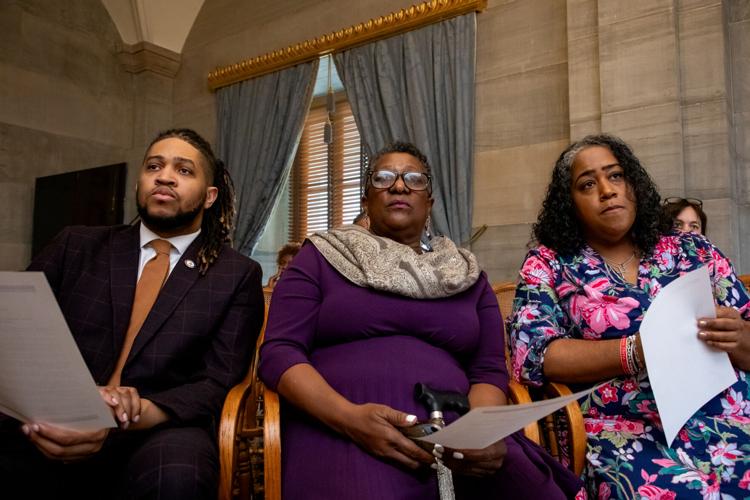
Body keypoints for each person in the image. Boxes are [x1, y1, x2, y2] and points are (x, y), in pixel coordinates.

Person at [258, 141, 581, 499]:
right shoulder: (321, 257)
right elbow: (280, 353)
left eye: (414, 179)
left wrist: (480, 434)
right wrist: (351, 420)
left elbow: (488, 370)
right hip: (341, 424)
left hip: (458, 432)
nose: (399, 186)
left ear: (429, 204)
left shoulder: (467, 275)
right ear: (365, 200)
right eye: (383, 178)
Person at [0, 128, 265, 499]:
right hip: (51, 411)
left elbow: (217, 382)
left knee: (179, 473)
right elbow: (14, 332)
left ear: (209, 197)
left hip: (156, 426)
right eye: (154, 166)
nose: (165, 176)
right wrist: (60, 406)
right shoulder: (76, 244)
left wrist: (133, 411)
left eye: (184, 170)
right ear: (140, 183)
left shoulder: (237, 274)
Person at [509, 133, 750, 498]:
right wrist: (634, 351)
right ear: (569, 203)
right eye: (587, 184)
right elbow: (536, 355)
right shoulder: (549, 263)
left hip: (724, 410)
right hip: (624, 427)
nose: (607, 190)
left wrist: (741, 337)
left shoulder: (693, 250)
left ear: (634, 185)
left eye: (616, 176)